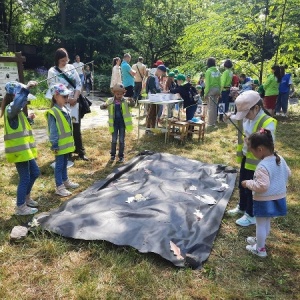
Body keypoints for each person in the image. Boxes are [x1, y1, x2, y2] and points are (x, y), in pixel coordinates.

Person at [227, 90, 277, 227]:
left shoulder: (267, 122)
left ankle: (251, 215)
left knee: (252, 190)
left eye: (246, 113)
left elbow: (268, 145)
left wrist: (252, 142)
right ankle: (242, 207)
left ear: (256, 107)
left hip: (259, 164)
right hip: (246, 159)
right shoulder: (247, 117)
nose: (245, 117)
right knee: (242, 185)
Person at [241, 129, 291, 257]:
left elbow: (262, 186)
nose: (251, 153)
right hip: (278, 198)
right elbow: (288, 173)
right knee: (266, 222)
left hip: (264, 200)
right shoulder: (280, 159)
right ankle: (260, 241)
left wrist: (248, 183)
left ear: (260, 149)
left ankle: (260, 249)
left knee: (260, 224)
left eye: (252, 150)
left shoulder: (262, 166)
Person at [1, 81, 40, 215]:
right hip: (19, 153)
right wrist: (26, 88)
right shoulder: (11, 109)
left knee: (35, 172)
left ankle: (26, 198)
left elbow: (19, 126)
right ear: (15, 96)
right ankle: (20, 206)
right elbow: (16, 106)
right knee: (25, 178)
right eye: (23, 99)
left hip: (25, 152)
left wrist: (29, 119)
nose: (25, 102)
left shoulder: (16, 112)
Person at [47, 48, 89, 161]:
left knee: (76, 127)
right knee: (65, 129)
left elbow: (78, 83)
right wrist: (65, 100)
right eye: (62, 61)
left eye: (66, 60)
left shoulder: (71, 67)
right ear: (57, 60)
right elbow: (53, 89)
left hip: (74, 102)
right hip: (62, 104)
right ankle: (68, 152)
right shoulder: (52, 71)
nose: (65, 63)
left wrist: (75, 97)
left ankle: (80, 151)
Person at [46, 83, 80, 197]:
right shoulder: (53, 112)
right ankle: (59, 187)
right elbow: (53, 130)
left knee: (64, 163)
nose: (67, 98)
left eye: (67, 96)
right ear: (56, 97)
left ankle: (66, 181)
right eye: (64, 96)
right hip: (59, 145)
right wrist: (54, 144)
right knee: (59, 165)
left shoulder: (64, 108)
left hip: (66, 144)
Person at [100, 84, 134, 163]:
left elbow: (132, 105)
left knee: (121, 140)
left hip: (122, 124)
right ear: (114, 93)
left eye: (121, 94)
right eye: (117, 94)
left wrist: (132, 100)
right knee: (114, 140)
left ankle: (121, 156)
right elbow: (101, 107)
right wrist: (104, 105)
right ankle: (112, 155)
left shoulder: (125, 101)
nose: (119, 96)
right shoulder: (110, 101)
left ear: (123, 94)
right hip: (114, 124)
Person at [145, 65, 167, 131]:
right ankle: (148, 128)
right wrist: (159, 92)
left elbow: (157, 88)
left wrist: (161, 91)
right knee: (151, 113)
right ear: (159, 71)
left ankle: (153, 127)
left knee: (155, 113)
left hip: (156, 97)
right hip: (152, 97)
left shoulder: (156, 77)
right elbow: (152, 89)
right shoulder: (152, 77)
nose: (161, 75)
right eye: (162, 73)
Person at [204, 57, 221, 127]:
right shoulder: (218, 71)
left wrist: (205, 93)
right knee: (215, 106)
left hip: (211, 89)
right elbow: (220, 82)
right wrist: (219, 92)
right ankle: (214, 121)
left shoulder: (208, 71)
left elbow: (207, 84)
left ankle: (210, 123)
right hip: (217, 89)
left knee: (210, 106)